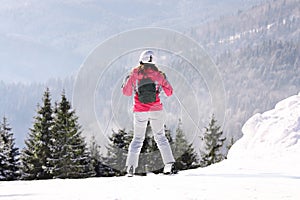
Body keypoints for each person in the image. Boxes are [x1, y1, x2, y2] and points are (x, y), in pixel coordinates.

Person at [122, 50, 176, 176]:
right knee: (160, 137)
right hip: (156, 110)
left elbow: (126, 92)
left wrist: (127, 82)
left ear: (141, 60)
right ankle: (168, 165)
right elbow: (170, 92)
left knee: (137, 139)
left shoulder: (134, 74)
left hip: (140, 111)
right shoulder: (158, 75)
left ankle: (130, 168)